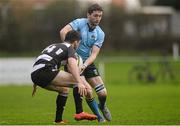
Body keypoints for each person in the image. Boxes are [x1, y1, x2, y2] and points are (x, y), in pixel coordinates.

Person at [31, 30, 97, 124]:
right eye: (78, 43)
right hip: (46, 70)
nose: (78, 45)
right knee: (78, 81)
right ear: (75, 42)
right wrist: (78, 82)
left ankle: (58, 120)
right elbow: (72, 64)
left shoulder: (54, 45)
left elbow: (41, 60)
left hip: (35, 74)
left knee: (64, 90)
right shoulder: (70, 48)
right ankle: (80, 112)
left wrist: (35, 83)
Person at [60, 3, 111, 122]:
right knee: (87, 90)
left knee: (103, 94)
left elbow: (94, 54)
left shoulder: (100, 33)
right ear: (88, 15)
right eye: (95, 15)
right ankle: (99, 118)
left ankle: (102, 106)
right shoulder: (79, 23)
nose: (98, 18)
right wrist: (70, 52)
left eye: (100, 16)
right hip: (73, 60)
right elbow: (63, 31)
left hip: (87, 62)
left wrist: (84, 65)